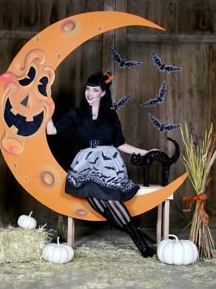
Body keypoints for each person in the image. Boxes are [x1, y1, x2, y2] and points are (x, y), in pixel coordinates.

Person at [46, 71, 156, 258]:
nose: (89, 93)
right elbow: (52, 131)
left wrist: (145, 152)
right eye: (87, 89)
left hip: (108, 163)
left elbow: (120, 144)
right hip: (85, 164)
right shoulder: (76, 114)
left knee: (111, 199)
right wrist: (46, 106)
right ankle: (133, 233)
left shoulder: (111, 116)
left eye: (94, 90)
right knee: (95, 197)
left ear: (103, 93)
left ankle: (139, 241)